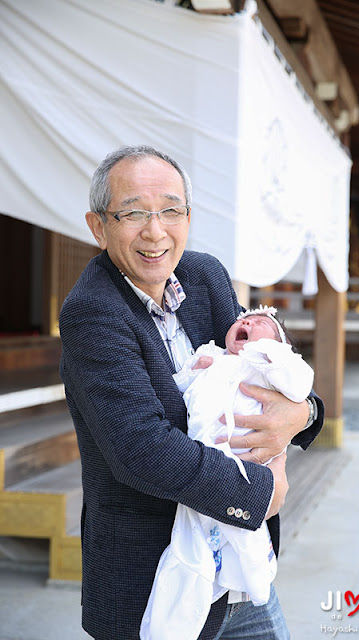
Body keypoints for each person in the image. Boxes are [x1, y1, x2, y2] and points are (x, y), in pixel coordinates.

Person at [59, 144, 324, 640]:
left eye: (170, 211)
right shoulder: (92, 313)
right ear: (99, 227)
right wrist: (261, 492)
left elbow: (264, 358)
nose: (155, 231)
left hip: (241, 572)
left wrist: (304, 412)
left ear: (187, 215)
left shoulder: (203, 275)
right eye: (133, 213)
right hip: (155, 581)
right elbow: (141, 449)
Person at [140, 306, 314, 640]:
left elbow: (301, 383)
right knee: (195, 541)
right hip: (202, 460)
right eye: (244, 320)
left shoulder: (270, 366)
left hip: (243, 458)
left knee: (241, 539)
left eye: (260, 323)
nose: (246, 321)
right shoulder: (215, 355)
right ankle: (177, 618)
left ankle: (254, 579)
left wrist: (277, 362)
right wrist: (196, 367)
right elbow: (176, 388)